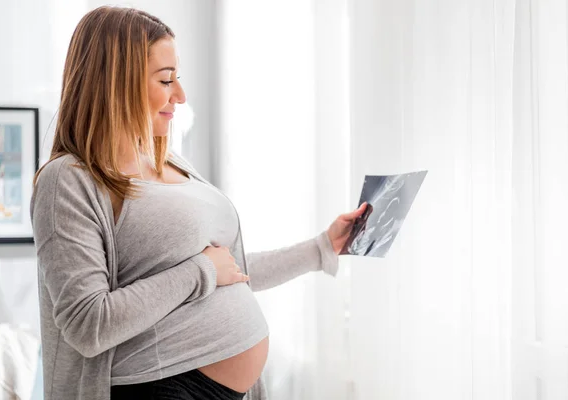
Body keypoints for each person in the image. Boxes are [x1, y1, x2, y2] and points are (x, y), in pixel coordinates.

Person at [30, 6, 368, 400]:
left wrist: (322, 247)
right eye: (166, 80)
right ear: (116, 83)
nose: (181, 95)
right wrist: (201, 270)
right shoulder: (69, 180)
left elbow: (228, 269)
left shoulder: (170, 161)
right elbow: (88, 323)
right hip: (157, 388)